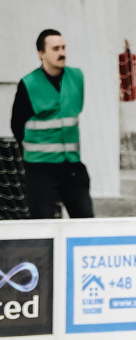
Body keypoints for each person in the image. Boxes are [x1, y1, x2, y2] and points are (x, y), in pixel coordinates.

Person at [11, 29, 94, 220]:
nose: (62, 53)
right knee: (43, 223)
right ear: (41, 53)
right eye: (56, 49)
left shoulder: (76, 77)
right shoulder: (29, 84)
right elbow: (17, 124)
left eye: (63, 47)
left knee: (85, 220)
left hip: (70, 164)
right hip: (40, 166)